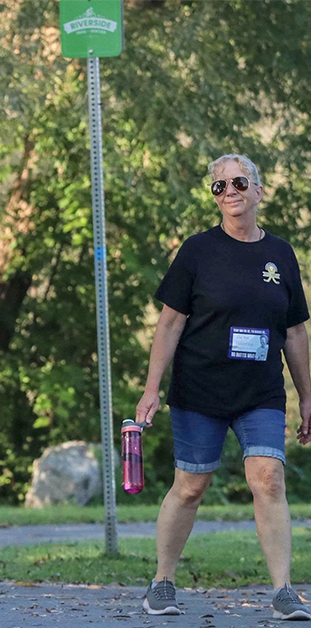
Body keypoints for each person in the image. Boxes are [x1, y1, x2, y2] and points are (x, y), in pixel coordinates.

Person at [135, 154, 311, 620]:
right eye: (219, 186)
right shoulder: (197, 251)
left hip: (261, 392)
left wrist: (308, 396)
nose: (228, 191)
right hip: (200, 389)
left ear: (257, 190)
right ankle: (162, 584)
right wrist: (152, 388)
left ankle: (284, 592)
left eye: (237, 182)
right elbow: (170, 323)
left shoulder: (281, 255)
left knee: (268, 479)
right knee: (191, 486)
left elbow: (295, 332)